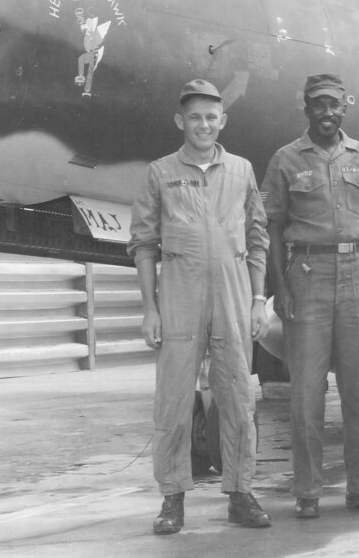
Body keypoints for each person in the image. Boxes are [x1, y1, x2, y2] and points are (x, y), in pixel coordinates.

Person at [127, 78, 272, 535]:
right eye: (195, 117)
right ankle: (172, 498)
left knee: (238, 400)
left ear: (223, 120)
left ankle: (240, 493)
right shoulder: (159, 173)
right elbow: (143, 245)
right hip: (180, 299)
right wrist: (150, 308)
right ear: (180, 121)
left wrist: (257, 300)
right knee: (172, 402)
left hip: (232, 297)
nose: (203, 125)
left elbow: (258, 239)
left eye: (211, 117)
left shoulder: (242, 171)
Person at [261, 73, 359, 519]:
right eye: (319, 104)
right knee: (306, 393)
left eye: (334, 105)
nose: (327, 112)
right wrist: (279, 287)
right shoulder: (285, 159)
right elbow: (273, 227)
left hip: (358, 273)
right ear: (307, 108)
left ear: (344, 108)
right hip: (308, 274)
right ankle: (307, 492)